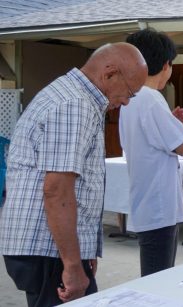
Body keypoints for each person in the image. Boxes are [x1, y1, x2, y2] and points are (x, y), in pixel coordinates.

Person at [0, 43, 147, 306]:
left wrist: (83, 252)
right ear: (110, 73)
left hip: (47, 246)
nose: (126, 101)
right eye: (129, 92)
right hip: (46, 247)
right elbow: (57, 190)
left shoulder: (73, 96)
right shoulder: (74, 104)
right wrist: (72, 264)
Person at [119, 28, 183, 277]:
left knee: (153, 275)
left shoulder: (130, 98)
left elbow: (153, 136)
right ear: (166, 65)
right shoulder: (151, 98)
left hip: (146, 201)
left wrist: (170, 123)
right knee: (157, 279)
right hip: (159, 207)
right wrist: (179, 126)